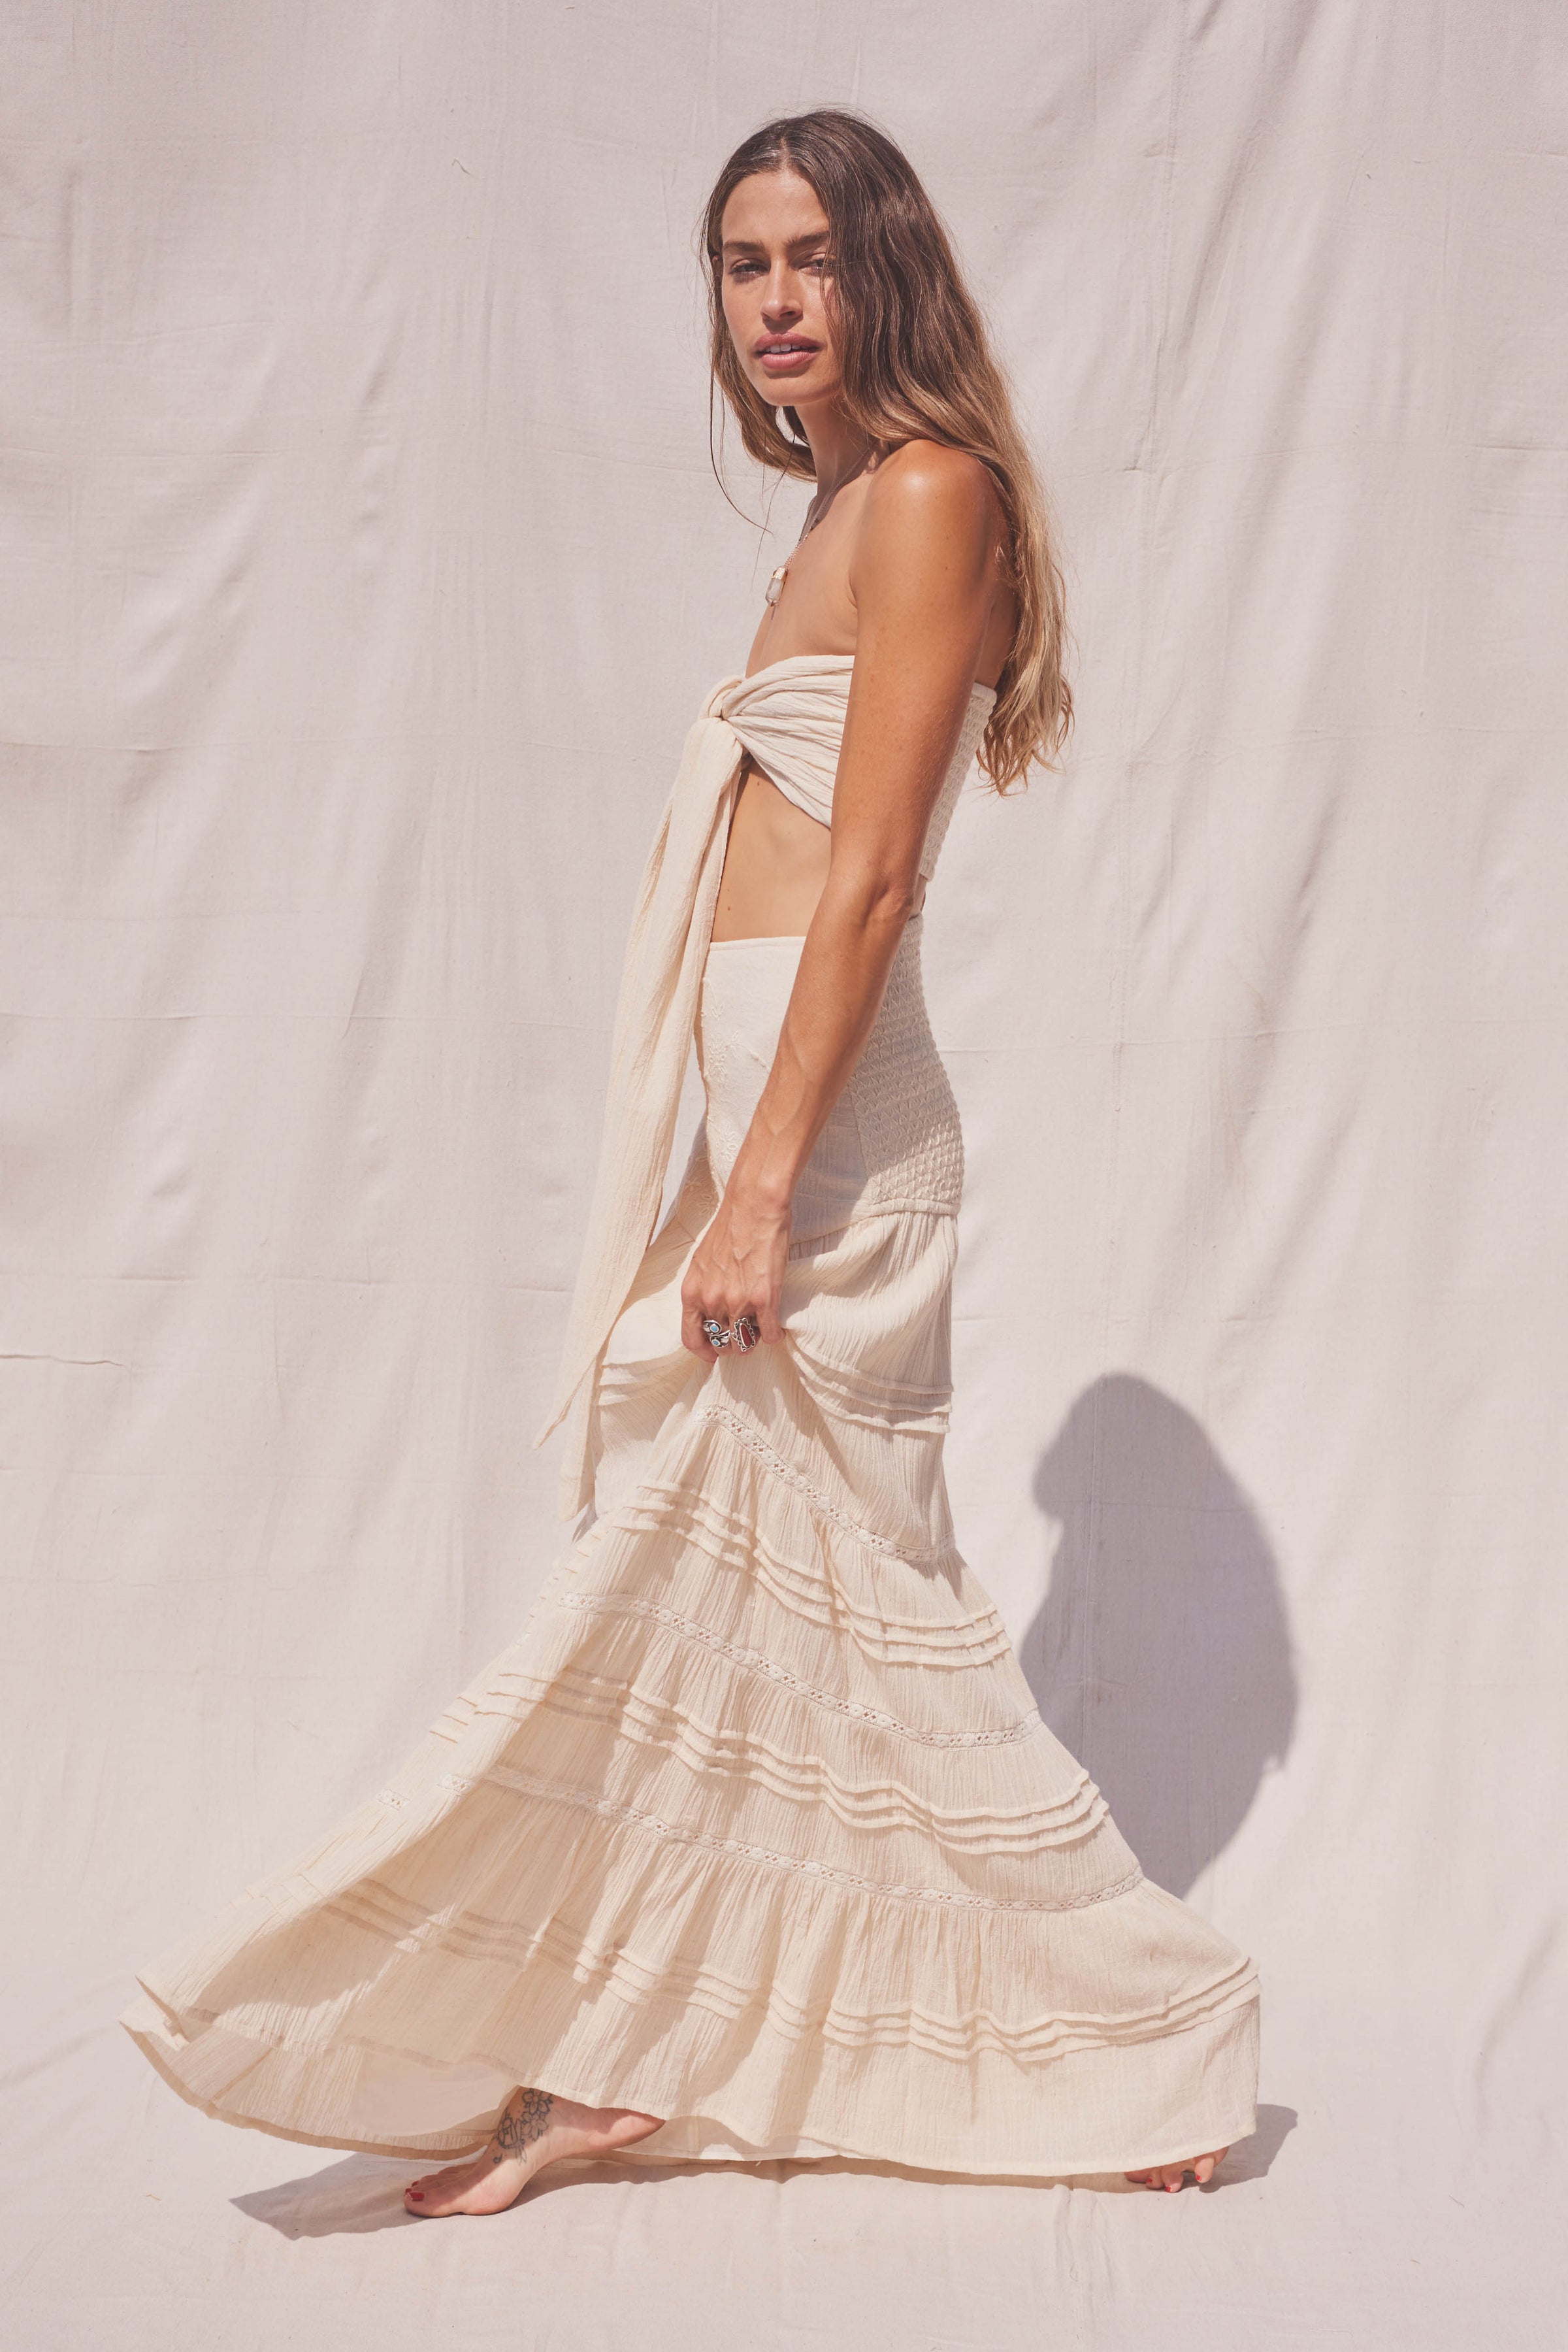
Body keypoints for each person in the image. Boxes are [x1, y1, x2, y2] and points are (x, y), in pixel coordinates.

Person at [122, 108, 1258, 2217]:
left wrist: (760, 1190)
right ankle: (621, 2053)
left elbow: (876, 878)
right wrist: (733, 1160)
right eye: (744, 265)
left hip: (834, 1152)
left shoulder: (928, 495)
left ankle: (1145, 2031)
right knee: (721, 1618)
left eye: (813, 257)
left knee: (864, 1621)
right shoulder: (841, 501)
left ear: (887, 270)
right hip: (775, 1132)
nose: (776, 302)